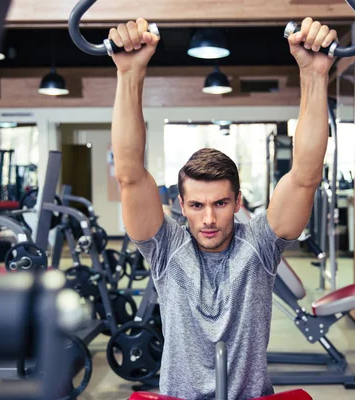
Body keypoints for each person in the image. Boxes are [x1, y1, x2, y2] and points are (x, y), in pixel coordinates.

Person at [109, 17, 336, 400]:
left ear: (238, 202)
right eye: (197, 205)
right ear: (180, 205)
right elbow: (130, 175)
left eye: (220, 204)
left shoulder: (260, 246)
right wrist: (129, 74)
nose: (209, 219)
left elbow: (305, 176)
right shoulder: (166, 250)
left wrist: (314, 76)